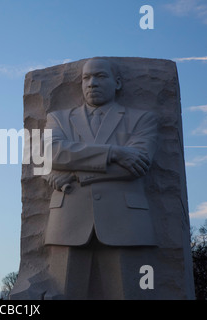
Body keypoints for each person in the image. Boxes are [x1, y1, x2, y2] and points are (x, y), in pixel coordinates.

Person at [43, 57, 159, 299]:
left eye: (100, 76)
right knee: (64, 294)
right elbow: (52, 153)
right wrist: (115, 152)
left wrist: (73, 171)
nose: (92, 83)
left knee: (131, 294)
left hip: (126, 221)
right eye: (86, 78)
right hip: (68, 220)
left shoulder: (141, 118)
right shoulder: (59, 118)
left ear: (117, 83)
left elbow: (137, 166)